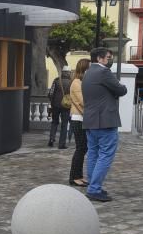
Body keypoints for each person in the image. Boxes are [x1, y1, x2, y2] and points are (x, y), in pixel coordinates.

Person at [82, 47, 128, 202]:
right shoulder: (103, 72)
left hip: (90, 120)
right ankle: (94, 188)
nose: (110, 60)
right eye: (108, 57)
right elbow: (121, 90)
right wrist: (119, 89)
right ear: (99, 59)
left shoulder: (88, 73)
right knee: (106, 155)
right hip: (105, 121)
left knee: (93, 154)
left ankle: (92, 186)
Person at [68, 58, 90, 187]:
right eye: (89, 68)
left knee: (83, 148)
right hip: (78, 119)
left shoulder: (81, 82)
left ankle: (79, 175)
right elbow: (83, 102)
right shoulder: (76, 83)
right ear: (84, 69)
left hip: (82, 118)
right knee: (80, 148)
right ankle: (74, 177)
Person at [48, 66, 72, 149]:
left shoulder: (56, 80)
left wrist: (52, 102)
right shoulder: (71, 82)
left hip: (55, 105)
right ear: (69, 72)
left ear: (62, 72)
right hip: (66, 106)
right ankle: (61, 144)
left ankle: (51, 139)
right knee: (64, 124)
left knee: (54, 122)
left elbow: (50, 93)